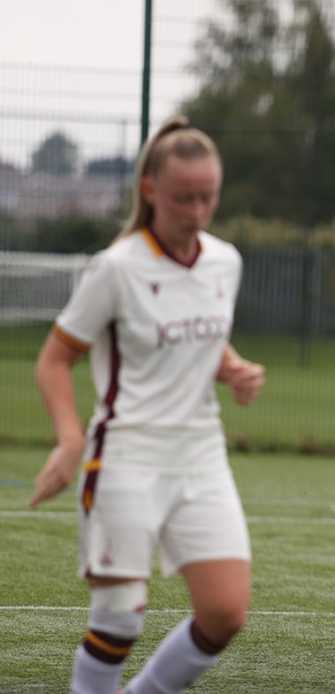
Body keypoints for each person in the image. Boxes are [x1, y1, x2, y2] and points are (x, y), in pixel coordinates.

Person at [29, 116, 264, 694]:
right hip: (125, 454)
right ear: (151, 191)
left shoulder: (224, 261)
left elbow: (195, 333)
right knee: (118, 619)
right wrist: (67, 440)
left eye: (208, 196)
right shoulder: (116, 268)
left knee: (225, 613)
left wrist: (230, 366)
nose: (197, 210)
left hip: (201, 454)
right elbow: (55, 359)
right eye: (184, 197)